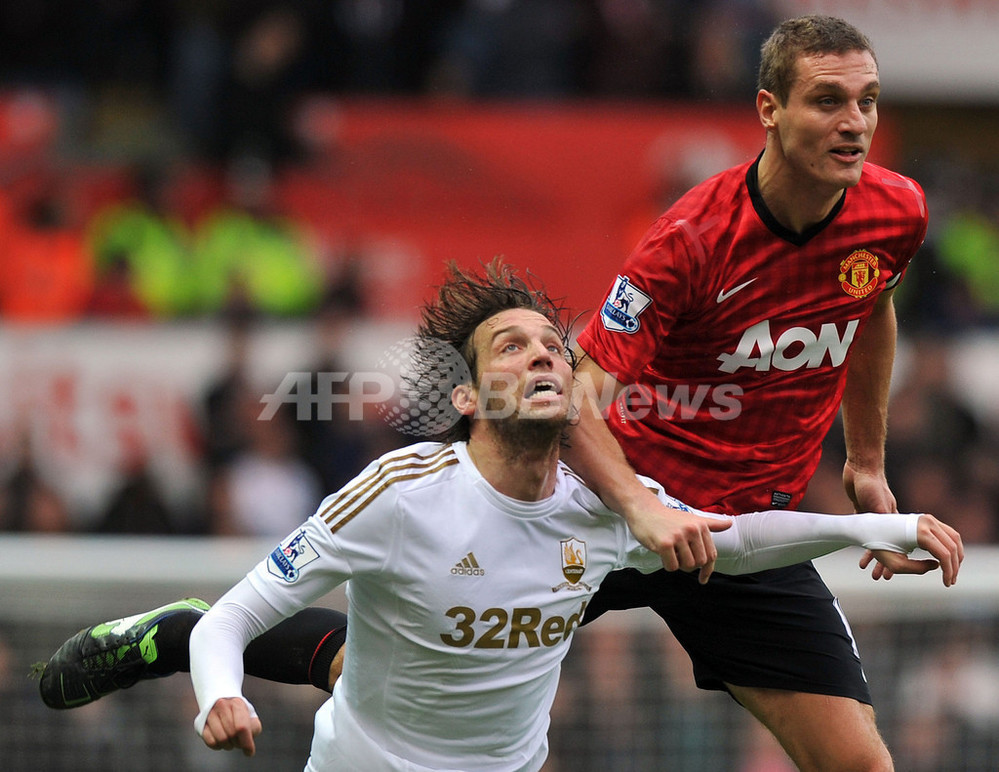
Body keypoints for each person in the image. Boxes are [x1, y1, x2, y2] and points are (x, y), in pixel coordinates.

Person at [36, 260, 962, 771]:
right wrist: (221, 690)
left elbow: (743, 537)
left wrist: (877, 528)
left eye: (556, 348)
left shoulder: (603, 505)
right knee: (395, 642)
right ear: (472, 398)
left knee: (421, 641)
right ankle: (169, 633)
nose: (544, 358)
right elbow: (244, 614)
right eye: (510, 349)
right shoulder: (399, 495)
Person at [560, 13, 952, 771]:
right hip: (614, 520)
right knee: (422, 674)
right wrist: (641, 509)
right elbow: (580, 395)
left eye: (867, 101)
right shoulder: (689, 240)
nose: (854, 124)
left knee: (860, 766)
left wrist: (864, 463)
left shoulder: (895, 209)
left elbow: (870, 309)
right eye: (827, 101)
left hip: (745, 540)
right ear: (768, 109)